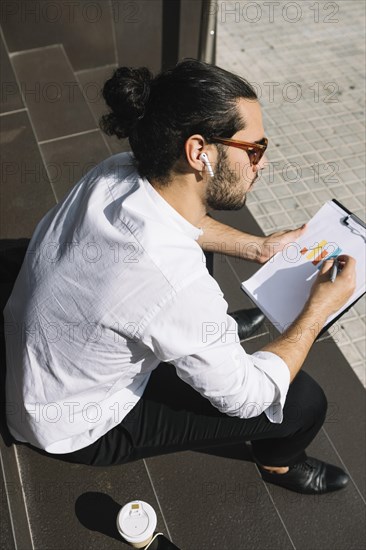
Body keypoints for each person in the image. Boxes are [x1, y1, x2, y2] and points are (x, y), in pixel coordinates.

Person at [3, 59, 356, 495]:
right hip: (72, 423)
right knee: (302, 402)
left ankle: (207, 337)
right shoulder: (174, 283)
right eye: (254, 149)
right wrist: (318, 309)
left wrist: (256, 247)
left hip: (45, 363)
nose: (261, 165)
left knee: (197, 263)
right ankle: (278, 462)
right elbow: (249, 397)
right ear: (199, 153)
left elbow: (176, 228)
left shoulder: (115, 173)